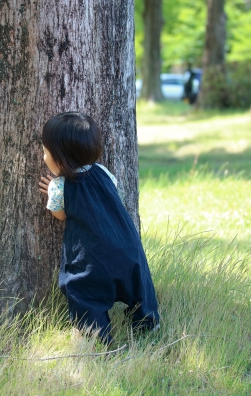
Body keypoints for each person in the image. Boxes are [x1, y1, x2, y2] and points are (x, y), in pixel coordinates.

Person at [38, 112, 160, 344]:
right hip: (127, 248)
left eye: (46, 152)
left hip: (92, 260)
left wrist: (52, 191)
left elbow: (61, 215)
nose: (44, 157)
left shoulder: (60, 186)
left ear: (60, 160)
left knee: (84, 293)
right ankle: (147, 322)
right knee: (139, 286)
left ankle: (96, 337)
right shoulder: (103, 173)